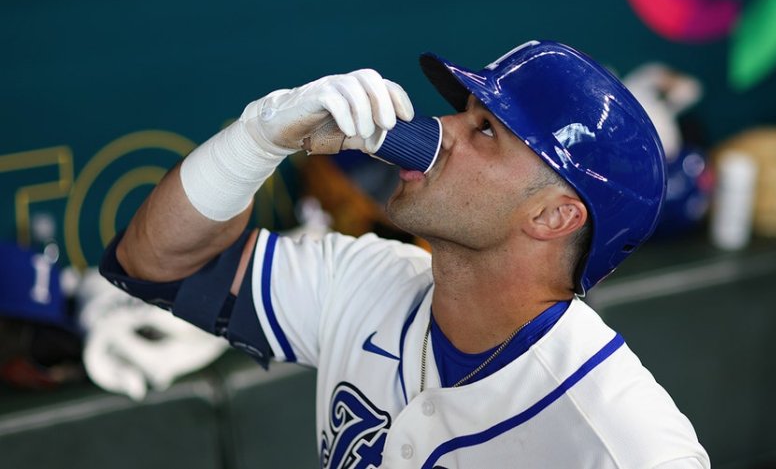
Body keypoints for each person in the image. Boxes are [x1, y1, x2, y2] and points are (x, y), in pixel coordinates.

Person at [100, 40, 710, 468]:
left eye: (486, 130)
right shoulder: (367, 280)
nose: (442, 129)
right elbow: (157, 262)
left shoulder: (629, 448)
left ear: (554, 216)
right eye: (463, 113)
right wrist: (255, 140)